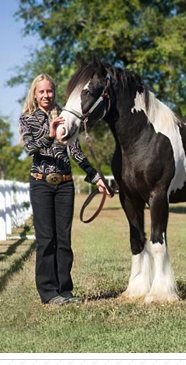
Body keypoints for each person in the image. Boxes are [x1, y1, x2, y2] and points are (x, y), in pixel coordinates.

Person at [19, 73, 109, 305]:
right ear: (35, 94)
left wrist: (95, 176)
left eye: (49, 91)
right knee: (46, 239)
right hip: (41, 183)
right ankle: (49, 293)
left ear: (54, 92)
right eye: (42, 92)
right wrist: (49, 135)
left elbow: (76, 151)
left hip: (65, 184)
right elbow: (30, 148)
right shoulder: (27, 118)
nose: (46, 95)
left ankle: (65, 290)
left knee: (64, 240)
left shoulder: (65, 115)